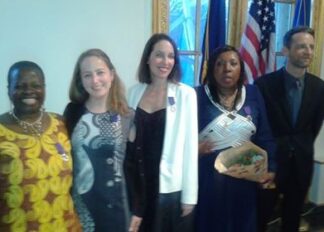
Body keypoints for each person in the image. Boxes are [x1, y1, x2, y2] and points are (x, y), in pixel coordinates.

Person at [195, 45, 276, 232]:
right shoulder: (197, 95)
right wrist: (194, 149)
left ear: (241, 68)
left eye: (233, 63)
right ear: (212, 69)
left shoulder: (254, 94)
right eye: (220, 64)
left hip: (245, 178)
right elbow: (183, 139)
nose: (227, 69)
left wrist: (271, 167)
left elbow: (265, 135)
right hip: (208, 180)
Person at [124, 33, 198, 232]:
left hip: (169, 188)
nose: (166, 61)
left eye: (171, 56)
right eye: (159, 55)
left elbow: (191, 148)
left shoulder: (186, 94)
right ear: (148, 58)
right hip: (139, 184)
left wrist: (189, 198)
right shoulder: (133, 92)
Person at [255, 26, 324, 232]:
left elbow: (314, 125)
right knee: (261, 216)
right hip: (271, 164)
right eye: (301, 46)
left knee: (292, 219)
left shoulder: (319, 87)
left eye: (311, 47)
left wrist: (300, 146)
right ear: (286, 50)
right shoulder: (264, 85)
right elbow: (259, 126)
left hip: (301, 163)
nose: (308, 52)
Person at [0, 61, 81, 231]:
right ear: (9, 89)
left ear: (44, 88)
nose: (29, 91)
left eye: (36, 85)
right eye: (20, 86)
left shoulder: (62, 123)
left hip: (67, 226)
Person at [63, 48, 134, 232]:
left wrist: (138, 210)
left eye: (100, 72)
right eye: (87, 75)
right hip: (81, 208)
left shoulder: (127, 116)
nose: (95, 81)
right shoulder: (72, 112)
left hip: (118, 210)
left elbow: (135, 167)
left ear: (111, 74)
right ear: (80, 80)